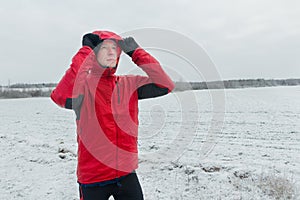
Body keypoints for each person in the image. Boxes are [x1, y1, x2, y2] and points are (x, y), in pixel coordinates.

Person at [51, 30, 174, 200]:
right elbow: (60, 96)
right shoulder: (84, 87)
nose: (111, 52)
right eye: (104, 48)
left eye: (115, 48)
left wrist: (136, 52)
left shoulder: (129, 84)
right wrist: (85, 51)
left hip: (126, 173)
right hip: (93, 178)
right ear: (94, 53)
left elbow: (165, 85)